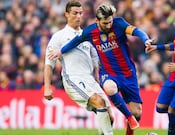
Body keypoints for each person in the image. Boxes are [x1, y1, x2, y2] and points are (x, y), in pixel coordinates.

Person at [48, 3, 152, 135]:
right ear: (97, 20)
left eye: (110, 22)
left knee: (137, 113)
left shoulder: (119, 24)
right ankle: (129, 117)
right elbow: (75, 42)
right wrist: (60, 51)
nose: (109, 25)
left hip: (128, 74)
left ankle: (132, 118)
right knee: (110, 88)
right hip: (108, 73)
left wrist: (146, 40)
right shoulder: (90, 31)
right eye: (105, 23)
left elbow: (136, 31)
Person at [44, 1, 113, 135]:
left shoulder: (87, 35)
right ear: (66, 14)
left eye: (80, 13)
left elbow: (95, 60)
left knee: (109, 117)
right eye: (75, 13)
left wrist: (99, 77)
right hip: (73, 79)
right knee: (99, 102)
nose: (78, 16)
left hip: (90, 80)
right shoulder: (59, 37)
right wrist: (47, 87)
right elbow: (48, 64)